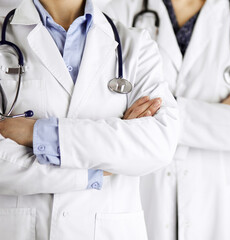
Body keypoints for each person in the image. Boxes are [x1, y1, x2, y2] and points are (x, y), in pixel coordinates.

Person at [97, 0, 230, 239]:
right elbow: (102, 112)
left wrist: (150, 118)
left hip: (222, 210)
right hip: (144, 200)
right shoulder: (121, 10)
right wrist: (221, 113)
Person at [0, 0, 179, 239]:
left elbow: (158, 144)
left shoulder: (135, 45)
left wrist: (39, 134)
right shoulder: (6, 38)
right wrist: (94, 172)